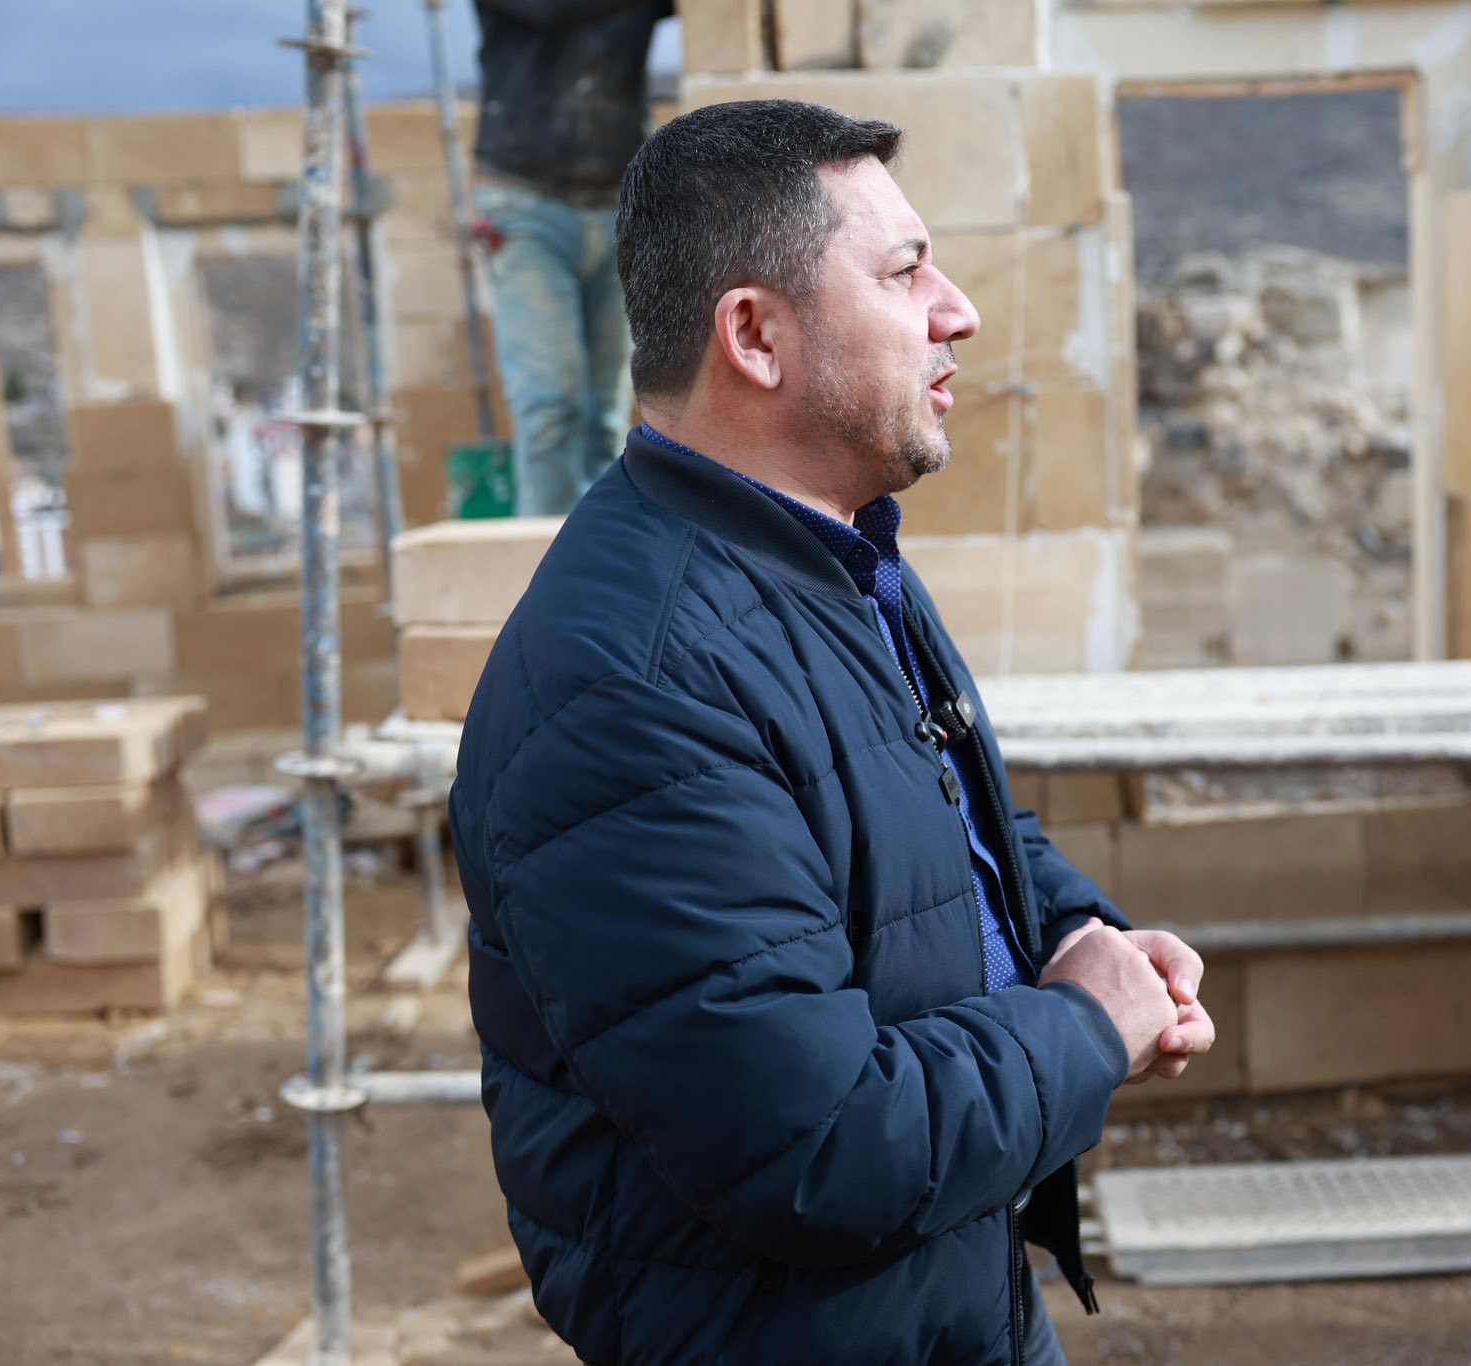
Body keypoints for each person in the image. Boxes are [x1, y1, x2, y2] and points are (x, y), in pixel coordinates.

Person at [450, 99, 1219, 1364]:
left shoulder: (826, 559)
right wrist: (1084, 1027)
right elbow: (814, 1146)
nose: (957, 311)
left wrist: (1077, 935)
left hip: (936, 1296)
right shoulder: (636, 681)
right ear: (754, 335)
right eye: (904, 272)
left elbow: (929, 823)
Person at [469, 0, 672, 515]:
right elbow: (552, 9)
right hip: (524, 198)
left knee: (606, 413)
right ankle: (550, 553)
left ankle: (599, 548)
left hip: (620, 200)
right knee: (549, 405)